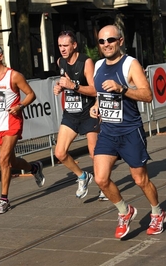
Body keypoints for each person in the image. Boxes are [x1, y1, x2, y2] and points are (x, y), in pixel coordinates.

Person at [90, 25, 166, 239]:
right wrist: (96, 105)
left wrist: (122, 88)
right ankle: (125, 211)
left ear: (120, 41)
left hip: (130, 131)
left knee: (140, 179)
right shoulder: (97, 66)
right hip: (107, 131)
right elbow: (100, 94)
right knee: (101, 179)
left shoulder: (130, 64)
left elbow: (148, 95)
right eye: (102, 41)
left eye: (110, 40)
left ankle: (157, 212)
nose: (106, 45)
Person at [0, 43, 45, 214]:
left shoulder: (13, 76)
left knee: (3, 158)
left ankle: (4, 200)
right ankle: (34, 168)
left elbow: (31, 94)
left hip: (12, 121)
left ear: (0, 56)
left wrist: (20, 106)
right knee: (10, 161)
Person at [53, 30, 107, 200]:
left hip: (88, 113)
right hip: (71, 114)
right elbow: (66, 81)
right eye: (60, 46)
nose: (62, 49)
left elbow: (94, 90)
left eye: (66, 45)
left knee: (94, 154)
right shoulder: (60, 61)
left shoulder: (86, 62)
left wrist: (73, 86)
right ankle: (82, 176)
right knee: (60, 153)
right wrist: (60, 87)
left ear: (74, 45)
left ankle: (104, 186)